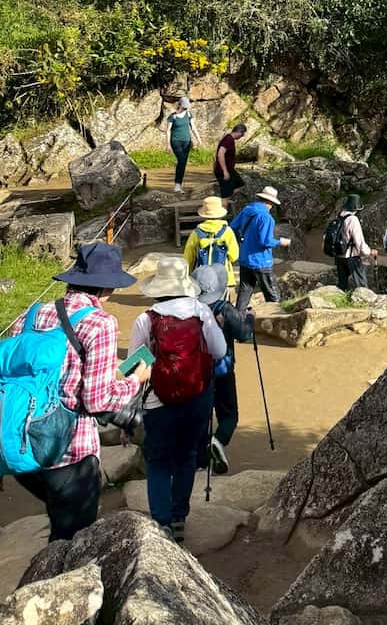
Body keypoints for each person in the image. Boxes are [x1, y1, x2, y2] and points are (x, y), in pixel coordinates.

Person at [8, 243, 150, 541]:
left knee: (57, 515)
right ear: (108, 287)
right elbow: (97, 401)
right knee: (72, 540)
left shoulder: (32, 314)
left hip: (21, 442)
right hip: (68, 452)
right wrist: (135, 380)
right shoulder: (100, 324)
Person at [129, 256, 226, 544]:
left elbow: (135, 364)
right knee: (186, 458)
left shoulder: (146, 319)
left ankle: (161, 523)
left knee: (158, 462)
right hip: (196, 398)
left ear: (158, 286)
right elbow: (219, 351)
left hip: (158, 402)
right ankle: (179, 516)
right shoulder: (201, 312)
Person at [193, 265, 254, 476]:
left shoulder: (190, 309)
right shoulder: (224, 308)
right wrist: (250, 318)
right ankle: (218, 441)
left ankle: (199, 462)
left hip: (196, 373)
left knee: (201, 416)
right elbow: (244, 334)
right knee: (229, 415)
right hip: (223, 369)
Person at [233, 186, 291, 313]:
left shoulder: (247, 210)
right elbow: (265, 241)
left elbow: (233, 227)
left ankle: (238, 319)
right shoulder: (266, 218)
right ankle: (276, 318)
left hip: (244, 259)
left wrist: (244, 240)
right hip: (261, 261)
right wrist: (281, 242)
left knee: (244, 292)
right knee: (272, 295)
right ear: (270, 203)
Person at [182, 195, 239, 292]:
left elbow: (188, 257)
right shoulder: (227, 231)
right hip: (224, 277)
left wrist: (189, 274)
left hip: (202, 277)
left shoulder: (196, 232)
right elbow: (234, 256)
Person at [335, 194, 377, 291]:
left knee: (342, 284)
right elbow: (359, 241)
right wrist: (369, 252)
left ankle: (341, 301)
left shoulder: (339, 217)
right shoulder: (353, 219)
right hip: (351, 256)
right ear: (356, 208)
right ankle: (364, 303)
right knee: (361, 285)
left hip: (339, 255)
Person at [165, 96, 202, 193]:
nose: (186, 107)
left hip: (187, 141)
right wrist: (167, 144)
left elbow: (193, 128)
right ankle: (177, 185)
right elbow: (168, 131)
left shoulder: (189, 114)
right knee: (181, 161)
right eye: (185, 105)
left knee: (183, 163)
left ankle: (179, 185)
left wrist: (198, 139)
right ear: (180, 105)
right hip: (175, 141)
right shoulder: (172, 116)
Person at [214, 123, 248, 199]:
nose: (241, 137)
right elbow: (220, 153)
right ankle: (224, 203)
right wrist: (225, 171)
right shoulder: (228, 139)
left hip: (230, 170)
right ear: (239, 132)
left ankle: (229, 198)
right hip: (223, 172)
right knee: (225, 197)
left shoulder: (229, 139)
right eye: (242, 135)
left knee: (241, 184)